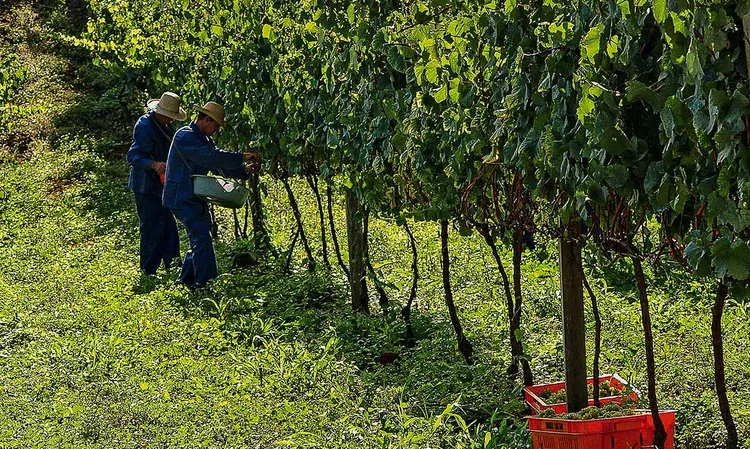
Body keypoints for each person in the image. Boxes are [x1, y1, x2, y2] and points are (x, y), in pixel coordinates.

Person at [163, 101, 260, 288]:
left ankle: (186, 281)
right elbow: (211, 157)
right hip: (180, 196)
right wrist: (241, 156)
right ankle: (205, 284)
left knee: (201, 236)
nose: (216, 130)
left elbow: (217, 165)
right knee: (202, 237)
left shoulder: (204, 140)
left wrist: (244, 169)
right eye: (216, 125)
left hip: (195, 195)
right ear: (207, 120)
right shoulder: (185, 136)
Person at [127, 92, 187, 275]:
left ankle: (173, 265)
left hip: (161, 184)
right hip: (146, 185)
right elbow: (133, 156)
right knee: (151, 227)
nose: (171, 120)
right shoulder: (145, 127)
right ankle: (148, 270)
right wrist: (153, 165)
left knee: (168, 225)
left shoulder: (165, 126)